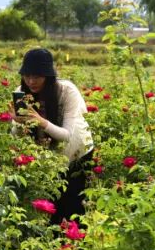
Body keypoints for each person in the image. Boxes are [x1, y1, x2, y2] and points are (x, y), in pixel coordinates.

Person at [12, 48, 94, 224]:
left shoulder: (66, 91)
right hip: (49, 160)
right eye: (27, 76)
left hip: (77, 154)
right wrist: (18, 124)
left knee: (74, 210)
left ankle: (74, 249)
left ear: (48, 76)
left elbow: (67, 135)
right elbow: (17, 138)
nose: (31, 81)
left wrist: (40, 121)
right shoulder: (21, 92)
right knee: (51, 211)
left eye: (37, 76)